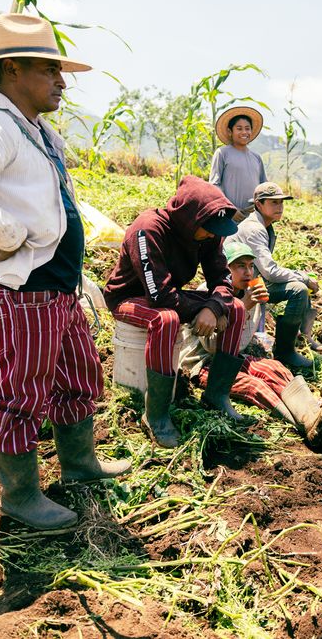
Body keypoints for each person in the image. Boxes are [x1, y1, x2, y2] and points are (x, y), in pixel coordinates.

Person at [0, 13, 130, 530]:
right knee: (19, 393)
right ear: (12, 69)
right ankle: (21, 496)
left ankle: (80, 465)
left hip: (55, 287)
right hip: (23, 290)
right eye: (50, 70)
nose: (62, 82)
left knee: (77, 376)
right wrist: (10, 236)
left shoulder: (35, 131)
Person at [103, 176, 245, 447]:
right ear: (190, 218)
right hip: (129, 297)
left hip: (168, 295)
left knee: (235, 308)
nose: (213, 235)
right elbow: (159, 296)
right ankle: (155, 414)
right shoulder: (148, 229)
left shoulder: (207, 234)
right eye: (208, 229)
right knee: (166, 319)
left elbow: (222, 278)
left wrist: (214, 307)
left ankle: (217, 395)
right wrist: (205, 309)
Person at [181, 242, 322, 451]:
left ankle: (314, 415)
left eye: (250, 266)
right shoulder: (208, 293)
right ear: (224, 269)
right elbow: (213, 348)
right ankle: (307, 428)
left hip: (234, 355)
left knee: (274, 369)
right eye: (240, 266)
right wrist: (243, 308)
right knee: (255, 386)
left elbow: (241, 343)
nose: (248, 272)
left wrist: (249, 308)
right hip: (203, 363)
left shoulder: (251, 292)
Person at [233, 182, 322, 369]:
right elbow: (270, 272)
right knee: (298, 288)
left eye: (281, 202)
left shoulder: (265, 225)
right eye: (274, 203)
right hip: (237, 285)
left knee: (296, 281)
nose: (279, 207)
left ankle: (303, 335)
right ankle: (285, 351)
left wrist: (300, 276)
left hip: (252, 278)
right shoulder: (254, 228)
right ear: (258, 204)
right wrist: (304, 278)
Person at [209, 106, 267, 221]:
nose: (244, 132)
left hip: (253, 216)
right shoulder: (222, 153)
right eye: (239, 128)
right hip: (229, 216)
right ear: (230, 131)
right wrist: (230, 209)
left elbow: (263, 186)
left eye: (247, 128)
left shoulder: (256, 158)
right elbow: (214, 185)